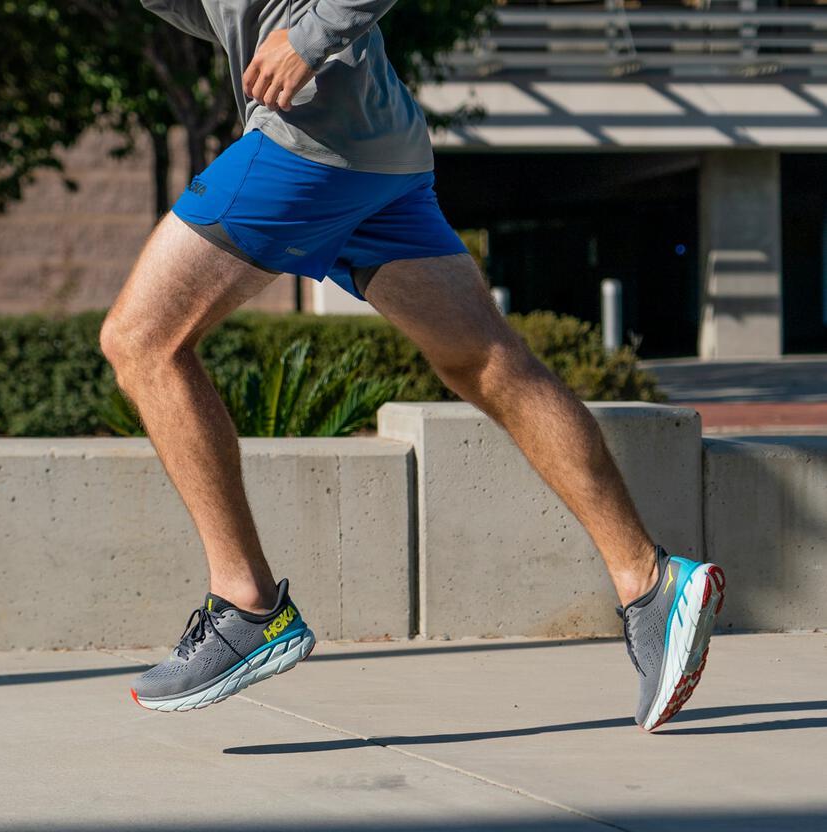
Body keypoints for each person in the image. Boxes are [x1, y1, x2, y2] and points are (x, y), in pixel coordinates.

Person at [101, 0, 726, 730]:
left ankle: (247, 606)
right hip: (377, 146)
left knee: (142, 342)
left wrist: (307, 38)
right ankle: (650, 582)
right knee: (484, 361)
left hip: (308, 135)